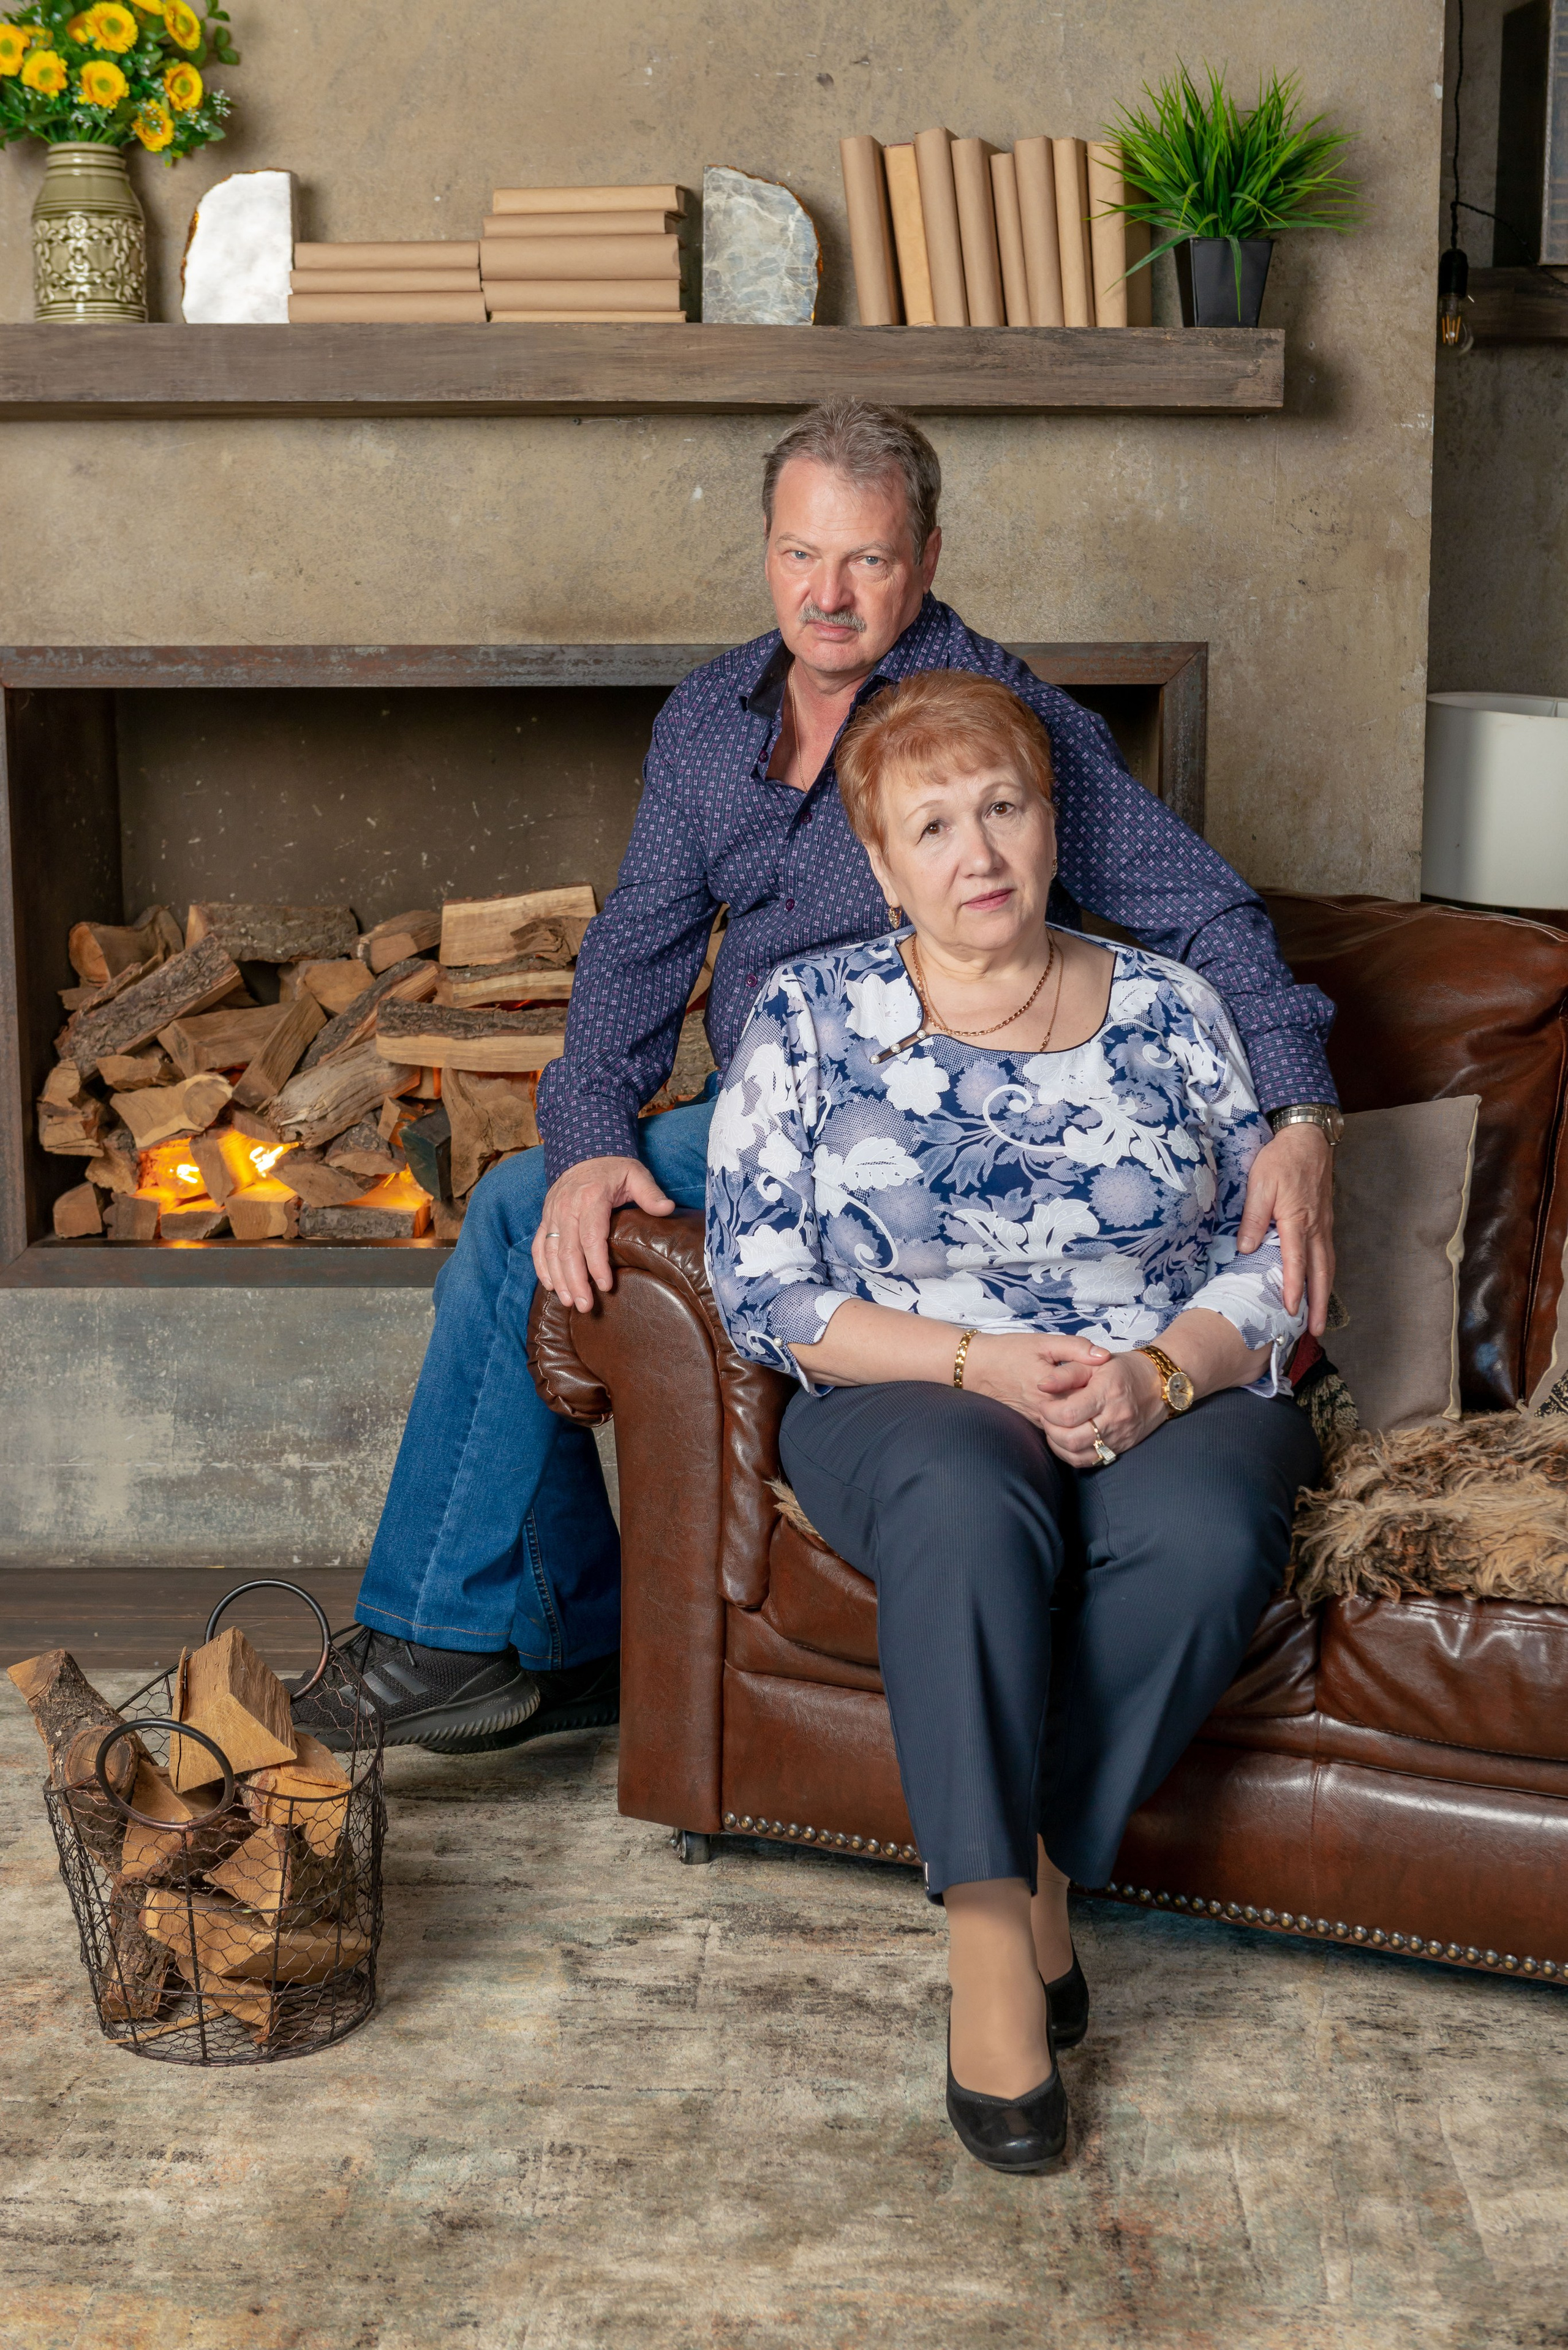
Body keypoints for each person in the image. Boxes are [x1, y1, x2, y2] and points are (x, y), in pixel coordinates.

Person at [326, 397, 1338, 1758]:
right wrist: (586, 1133)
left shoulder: (997, 719)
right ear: (764, 551)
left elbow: (1209, 914)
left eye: (864, 560)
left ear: (922, 557)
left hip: (910, 1124)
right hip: (759, 1111)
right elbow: (636, 945)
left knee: (507, 1212)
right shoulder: (705, 719)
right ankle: (527, 1636)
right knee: (544, 1199)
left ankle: (456, 1639)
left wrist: (1297, 1113)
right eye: (800, 555)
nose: (829, 592)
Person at [704, 668, 1322, 2173]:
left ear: (1053, 828)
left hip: (1163, 1374)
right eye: (931, 824)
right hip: (909, 1379)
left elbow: (1274, 1267)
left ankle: (1043, 1864)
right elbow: (758, 1282)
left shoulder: (1173, 1009)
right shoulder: (805, 1014)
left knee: (1206, 1527)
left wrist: (1162, 1373)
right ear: (879, 863)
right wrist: (977, 1360)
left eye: (1002, 807)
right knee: (966, 1506)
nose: (975, 851)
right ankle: (994, 1946)